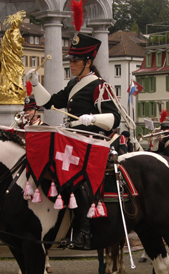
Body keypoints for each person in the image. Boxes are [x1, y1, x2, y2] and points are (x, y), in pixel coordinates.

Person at [26, 32, 121, 249]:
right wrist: (35, 84)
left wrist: (92, 118)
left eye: (76, 60)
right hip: (74, 140)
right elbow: (49, 103)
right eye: (70, 60)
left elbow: (114, 117)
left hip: (91, 141)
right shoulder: (73, 85)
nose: (72, 64)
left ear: (88, 62)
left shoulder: (100, 86)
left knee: (73, 177)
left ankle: (84, 231)